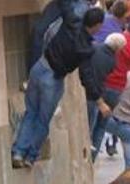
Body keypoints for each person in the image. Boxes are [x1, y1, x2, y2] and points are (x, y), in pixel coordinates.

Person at [12, 7, 106, 169]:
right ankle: (30, 156)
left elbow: (67, 6)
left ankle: (18, 152)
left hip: (39, 67)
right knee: (42, 120)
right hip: (53, 80)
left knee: (30, 113)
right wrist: (99, 101)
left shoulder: (71, 22)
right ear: (97, 26)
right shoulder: (86, 49)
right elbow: (87, 77)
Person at [91, 20, 130, 162]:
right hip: (117, 90)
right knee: (101, 124)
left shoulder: (117, 41)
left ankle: (95, 151)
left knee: (98, 122)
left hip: (106, 86)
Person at [85, 33, 125, 156]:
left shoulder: (94, 48)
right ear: (118, 49)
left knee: (90, 128)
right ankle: (93, 156)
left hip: (90, 92)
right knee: (100, 127)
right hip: (98, 94)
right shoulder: (111, 61)